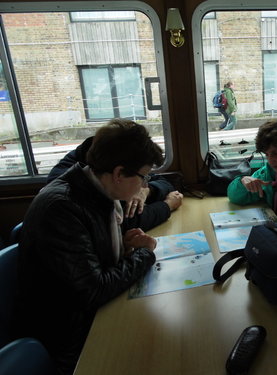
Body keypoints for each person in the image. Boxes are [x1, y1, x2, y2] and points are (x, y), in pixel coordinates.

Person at [14, 120, 164, 375]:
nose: (143, 185)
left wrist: (123, 249)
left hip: (83, 314)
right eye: (143, 177)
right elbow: (93, 290)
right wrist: (143, 254)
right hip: (67, 335)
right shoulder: (63, 208)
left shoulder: (94, 190)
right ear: (118, 173)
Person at [47, 132, 183, 232]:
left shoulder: (107, 166)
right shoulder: (70, 193)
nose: (145, 183)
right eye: (143, 178)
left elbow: (163, 182)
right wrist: (167, 206)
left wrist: (145, 191)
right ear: (119, 174)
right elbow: (124, 222)